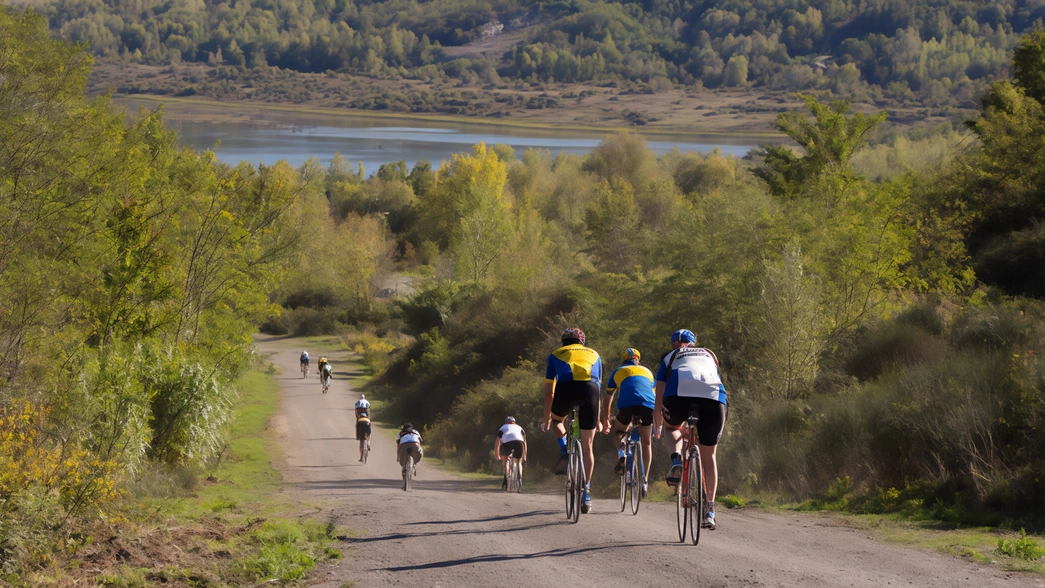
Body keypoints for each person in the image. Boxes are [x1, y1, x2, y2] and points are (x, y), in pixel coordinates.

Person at [653, 329, 727, 531]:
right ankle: (710, 509)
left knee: (671, 428)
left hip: (678, 397)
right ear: (695, 344)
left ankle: (676, 459)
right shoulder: (709, 354)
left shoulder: (671, 356)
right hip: (712, 400)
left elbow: (660, 391)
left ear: (674, 344)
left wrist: (658, 419)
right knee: (709, 456)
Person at [542, 327, 603, 514]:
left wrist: (547, 419)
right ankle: (586, 491)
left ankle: (564, 450)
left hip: (565, 390)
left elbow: (549, 393)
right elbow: (598, 389)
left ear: (563, 342)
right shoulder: (594, 354)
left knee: (557, 421)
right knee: (588, 447)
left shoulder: (555, 354)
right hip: (590, 391)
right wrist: (598, 419)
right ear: (582, 342)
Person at [601, 348, 656, 497]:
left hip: (627, 404)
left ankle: (621, 452)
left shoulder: (617, 371)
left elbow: (607, 398)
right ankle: (644, 480)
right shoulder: (648, 371)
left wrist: (606, 419)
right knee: (647, 442)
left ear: (624, 359)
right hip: (648, 405)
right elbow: (654, 394)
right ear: (638, 359)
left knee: (618, 432)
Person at [494, 416, 527, 490]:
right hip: (519, 442)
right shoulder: (520, 428)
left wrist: (497, 455)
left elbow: (497, 442)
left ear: (506, 422)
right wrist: (524, 456)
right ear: (514, 422)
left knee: (506, 458)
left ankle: (506, 479)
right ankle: (520, 479)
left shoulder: (503, 428)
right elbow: (524, 442)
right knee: (519, 462)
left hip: (507, 443)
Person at [355, 395, 372, 462]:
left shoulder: (357, 410)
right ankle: (368, 443)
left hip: (360, 423)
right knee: (369, 434)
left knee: (361, 441)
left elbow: (357, 418)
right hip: (367, 423)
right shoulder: (367, 410)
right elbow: (369, 418)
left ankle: (361, 457)